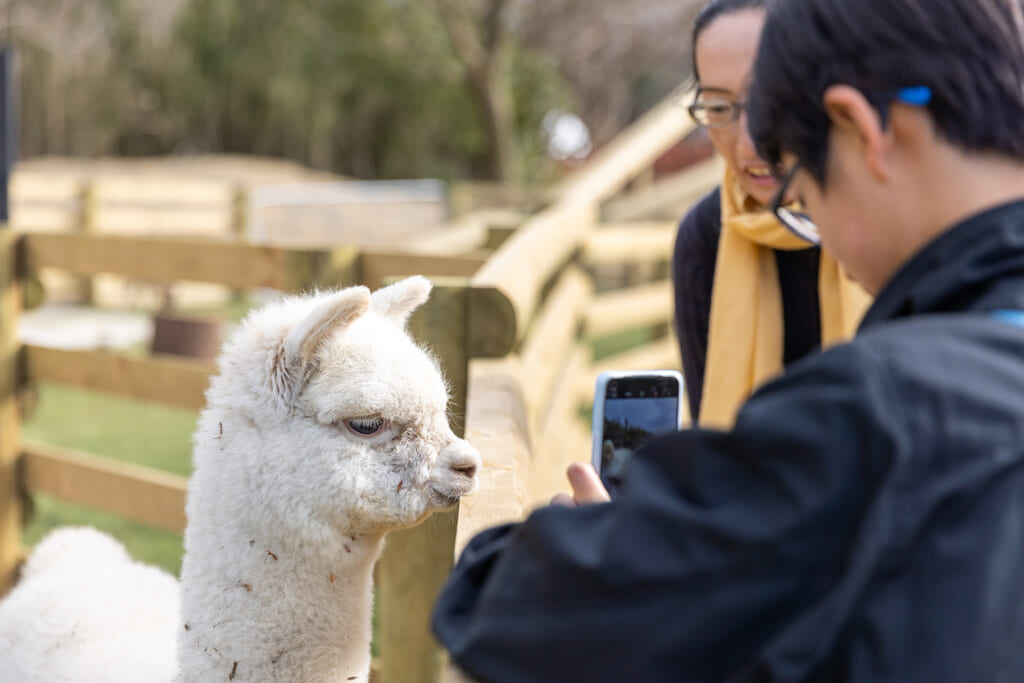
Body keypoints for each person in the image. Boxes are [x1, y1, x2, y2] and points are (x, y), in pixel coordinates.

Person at [431, 0, 1024, 680]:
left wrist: (615, 543)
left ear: (861, 128)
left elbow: (507, 612)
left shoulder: (879, 411)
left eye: (798, 179)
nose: (810, 223)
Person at [673, 0, 870, 428]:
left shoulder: (887, 222)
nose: (748, 145)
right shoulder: (705, 234)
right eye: (719, 109)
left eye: (768, 98)